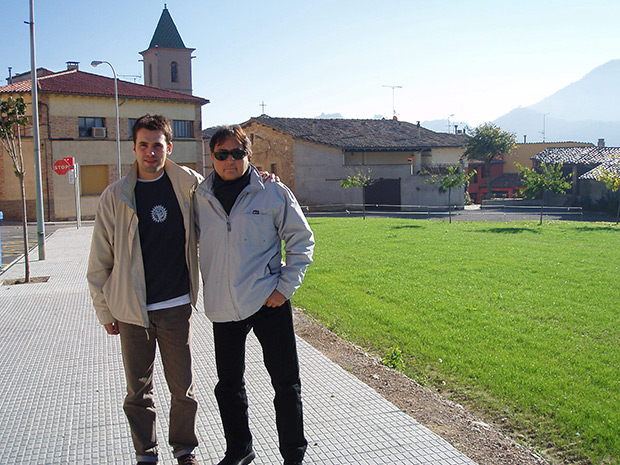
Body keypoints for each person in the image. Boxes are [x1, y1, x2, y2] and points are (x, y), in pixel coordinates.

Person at [195, 125, 315, 465]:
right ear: (212, 157)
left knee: (286, 384)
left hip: (268, 301)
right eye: (222, 154)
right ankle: (239, 450)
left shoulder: (273, 193)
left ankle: (293, 454)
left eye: (237, 153)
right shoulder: (200, 197)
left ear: (249, 154)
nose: (229, 160)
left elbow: (301, 240)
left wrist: (284, 288)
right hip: (224, 306)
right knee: (228, 386)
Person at [87, 114, 202, 465]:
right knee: (138, 391)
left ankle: (184, 449)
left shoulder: (190, 186)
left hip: (176, 307)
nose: (150, 152)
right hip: (131, 310)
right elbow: (99, 261)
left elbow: (232, 191)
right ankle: (146, 454)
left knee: (182, 389)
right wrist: (104, 310)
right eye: (143, 145)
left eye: (157, 145)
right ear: (134, 148)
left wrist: (264, 179)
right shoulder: (116, 196)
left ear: (170, 146)